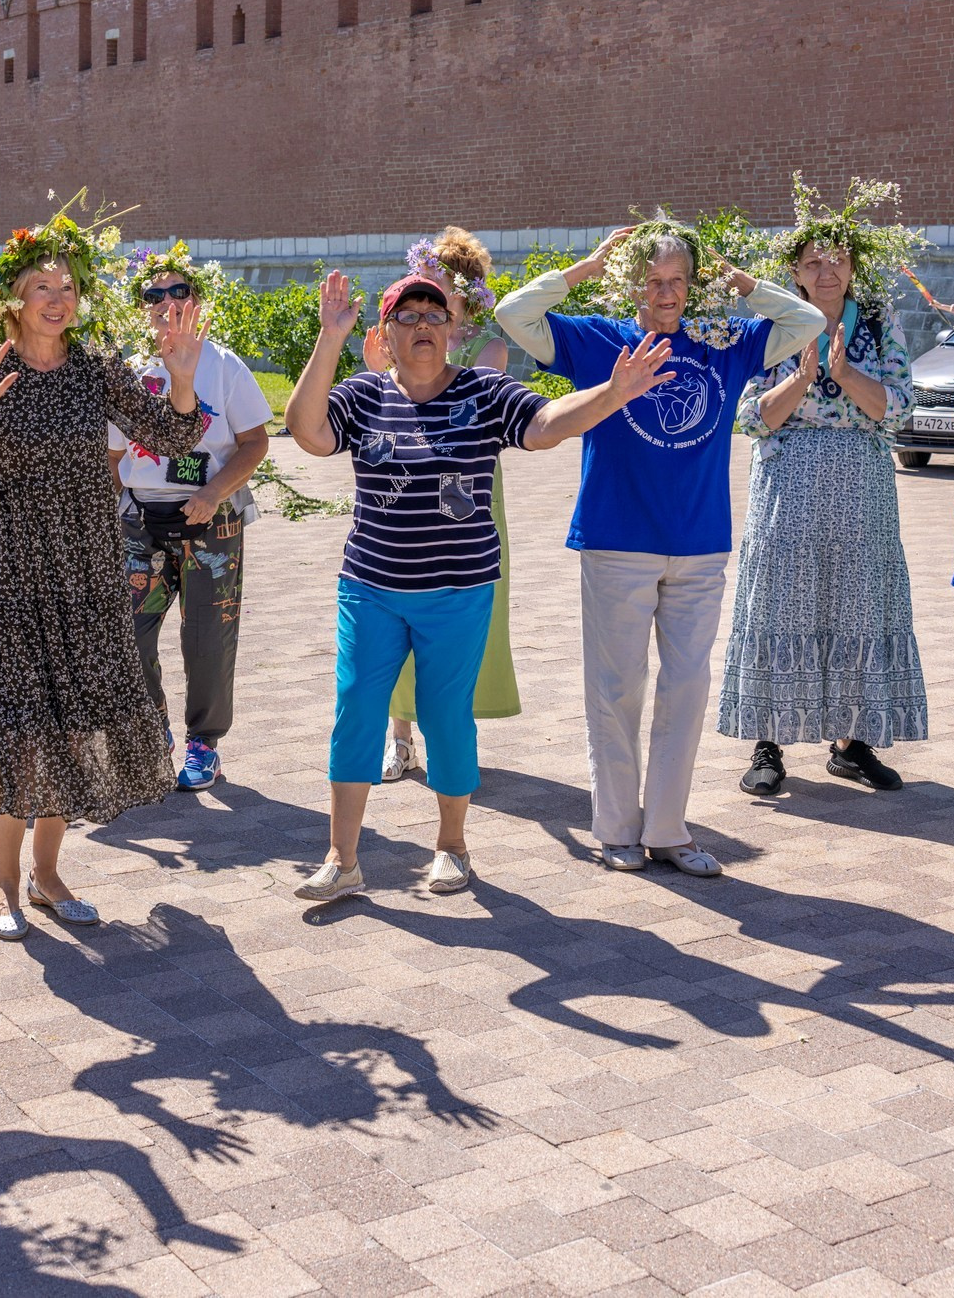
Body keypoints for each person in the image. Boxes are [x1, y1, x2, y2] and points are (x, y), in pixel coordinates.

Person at [287, 269, 678, 899]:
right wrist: (330, 338)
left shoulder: (483, 391)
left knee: (446, 718)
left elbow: (546, 424)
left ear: (451, 330)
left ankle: (452, 847)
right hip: (372, 587)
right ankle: (343, 859)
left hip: (458, 591)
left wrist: (614, 392)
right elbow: (307, 432)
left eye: (433, 315)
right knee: (355, 709)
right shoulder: (363, 396)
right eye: (407, 316)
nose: (422, 324)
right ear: (385, 333)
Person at [0, 206, 207, 941]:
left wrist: (182, 377)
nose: (57, 297)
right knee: (16, 731)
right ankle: (3, 882)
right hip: (9, 570)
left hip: (86, 569)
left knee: (72, 727)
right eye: (42, 285)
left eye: (67, 285)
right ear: (14, 297)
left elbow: (173, 436)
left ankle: (47, 874)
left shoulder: (95, 367)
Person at [493, 216, 823, 876]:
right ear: (631, 285)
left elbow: (807, 321)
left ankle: (669, 829)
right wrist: (587, 268)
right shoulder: (599, 340)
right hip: (618, 539)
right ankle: (618, 829)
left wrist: (737, 279)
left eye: (678, 280)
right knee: (615, 690)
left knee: (687, 688)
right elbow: (512, 314)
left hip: (699, 543)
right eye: (651, 281)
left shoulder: (724, 342)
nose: (666, 293)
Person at [720, 183, 928, 795]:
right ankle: (768, 743)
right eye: (813, 262)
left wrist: (843, 373)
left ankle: (852, 744)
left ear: (854, 266)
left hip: (862, 488)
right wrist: (803, 379)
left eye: (837, 259)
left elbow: (899, 408)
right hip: (787, 485)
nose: (826, 270)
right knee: (780, 602)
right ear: (794, 272)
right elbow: (750, 416)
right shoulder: (771, 328)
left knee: (859, 603)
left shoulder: (880, 324)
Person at [112, 245, 271, 791]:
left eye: (178, 291)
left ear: (196, 301)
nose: (167, 302)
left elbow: (255, 442)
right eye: (153, 294)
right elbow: (113, 457)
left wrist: (214, 491)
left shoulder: (224, 366)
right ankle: (153, 730)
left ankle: (204, 744)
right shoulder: (131, 371)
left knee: (209, 638)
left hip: (212, 518)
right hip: (140, 520)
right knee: (126, 633)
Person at [377, 230, 515, 784]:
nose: (424, 294)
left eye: (436, 285)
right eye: (420, 283)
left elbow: (473, 422)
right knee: (393, 616)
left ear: (463, 294)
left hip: (466, 500)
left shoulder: (489, 349)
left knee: (457, 624)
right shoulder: (399, 338)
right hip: (403, 494)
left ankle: (450, 738)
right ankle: (400, 739)